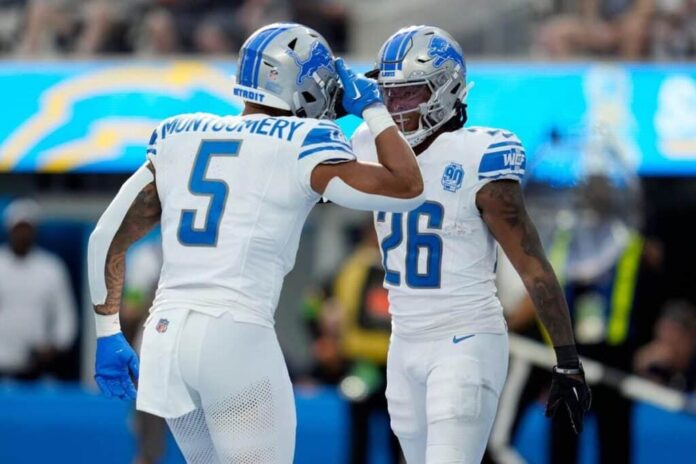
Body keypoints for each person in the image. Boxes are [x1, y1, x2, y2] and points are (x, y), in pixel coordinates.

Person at [87, 22, 424, 463]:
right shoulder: (306, 142)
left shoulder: (180, 134)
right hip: (234, 335)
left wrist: (107, 332)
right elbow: (407, 186)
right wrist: (373, 110)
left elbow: (106, 236)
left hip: (164, 338)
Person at [351, 26, 591, 463]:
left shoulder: (480, 156)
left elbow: (532, 264)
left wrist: (567, 359)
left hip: (465, 338)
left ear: (445, 89)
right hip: (402, 341)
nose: (396, 106)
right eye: (389, 93)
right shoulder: (368, 144)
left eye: (409, 93)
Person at [0, 198, 78, 380]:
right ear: (10, 230)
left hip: (36, 364)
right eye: (19, 229)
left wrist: (56, 345)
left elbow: (65, 315)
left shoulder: (51, 267)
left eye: (27, 229)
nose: (23, 234)